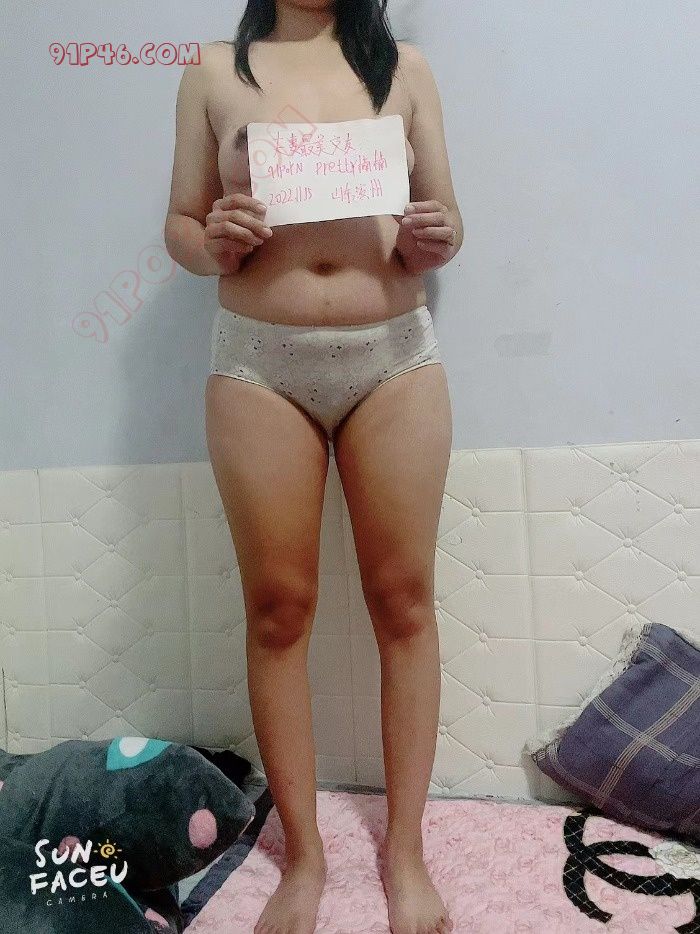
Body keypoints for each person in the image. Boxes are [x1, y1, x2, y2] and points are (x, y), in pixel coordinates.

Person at [164, 2, 463, 931]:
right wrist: (209, 240)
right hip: (261, 363)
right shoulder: (214, 70)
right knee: (278, 609)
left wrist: (435, 237)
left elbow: (448, 222)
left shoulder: (405, 68)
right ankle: (303, 858)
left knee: (403, 602)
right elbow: (179, 228)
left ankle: (405, 853)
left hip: (394, 357)